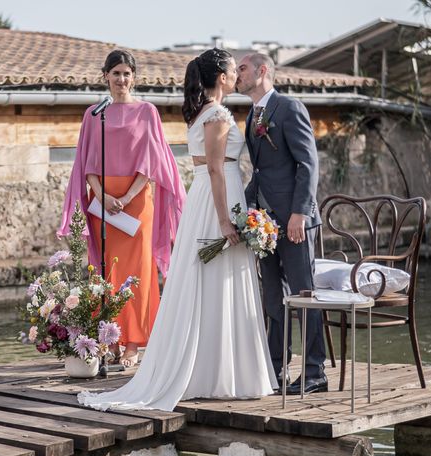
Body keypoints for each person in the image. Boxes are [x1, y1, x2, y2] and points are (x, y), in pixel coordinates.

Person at [78, 48, 277, 412]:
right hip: (217, 201)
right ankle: (218, 373)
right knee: (219, 280)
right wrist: (224, 220)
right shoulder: (216, 114)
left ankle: (214, 370)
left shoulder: (201, 112)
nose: (237, 76)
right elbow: (217, 169)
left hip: (207, 198)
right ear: (221, 77)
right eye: (234, 71)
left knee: (210, 282)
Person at [58, 50, 186, 367]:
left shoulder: (147, 112)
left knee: (138, 273)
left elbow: (151, 162)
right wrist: (102, 197)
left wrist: (127, 198)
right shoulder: (93, 114)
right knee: (106, 273)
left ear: (134, 77)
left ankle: (133, 343)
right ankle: (108, 340)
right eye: (115, 73)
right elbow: (86, 164)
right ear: (105, 77)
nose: (121, 79)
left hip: (137, 202)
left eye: (127, 73)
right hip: (102, 204)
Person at [236, 53, 327, 394]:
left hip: (295, 222)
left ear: (262, 71)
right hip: (265, 226)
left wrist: (300, 214)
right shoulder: (251, 116)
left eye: (242, 69)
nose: (237, 75)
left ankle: (315, 372)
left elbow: (308, 163)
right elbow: (260, 173)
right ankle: (275, 370)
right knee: (273, 297)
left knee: (305, 297)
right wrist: (243, 210)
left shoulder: (289, 108)